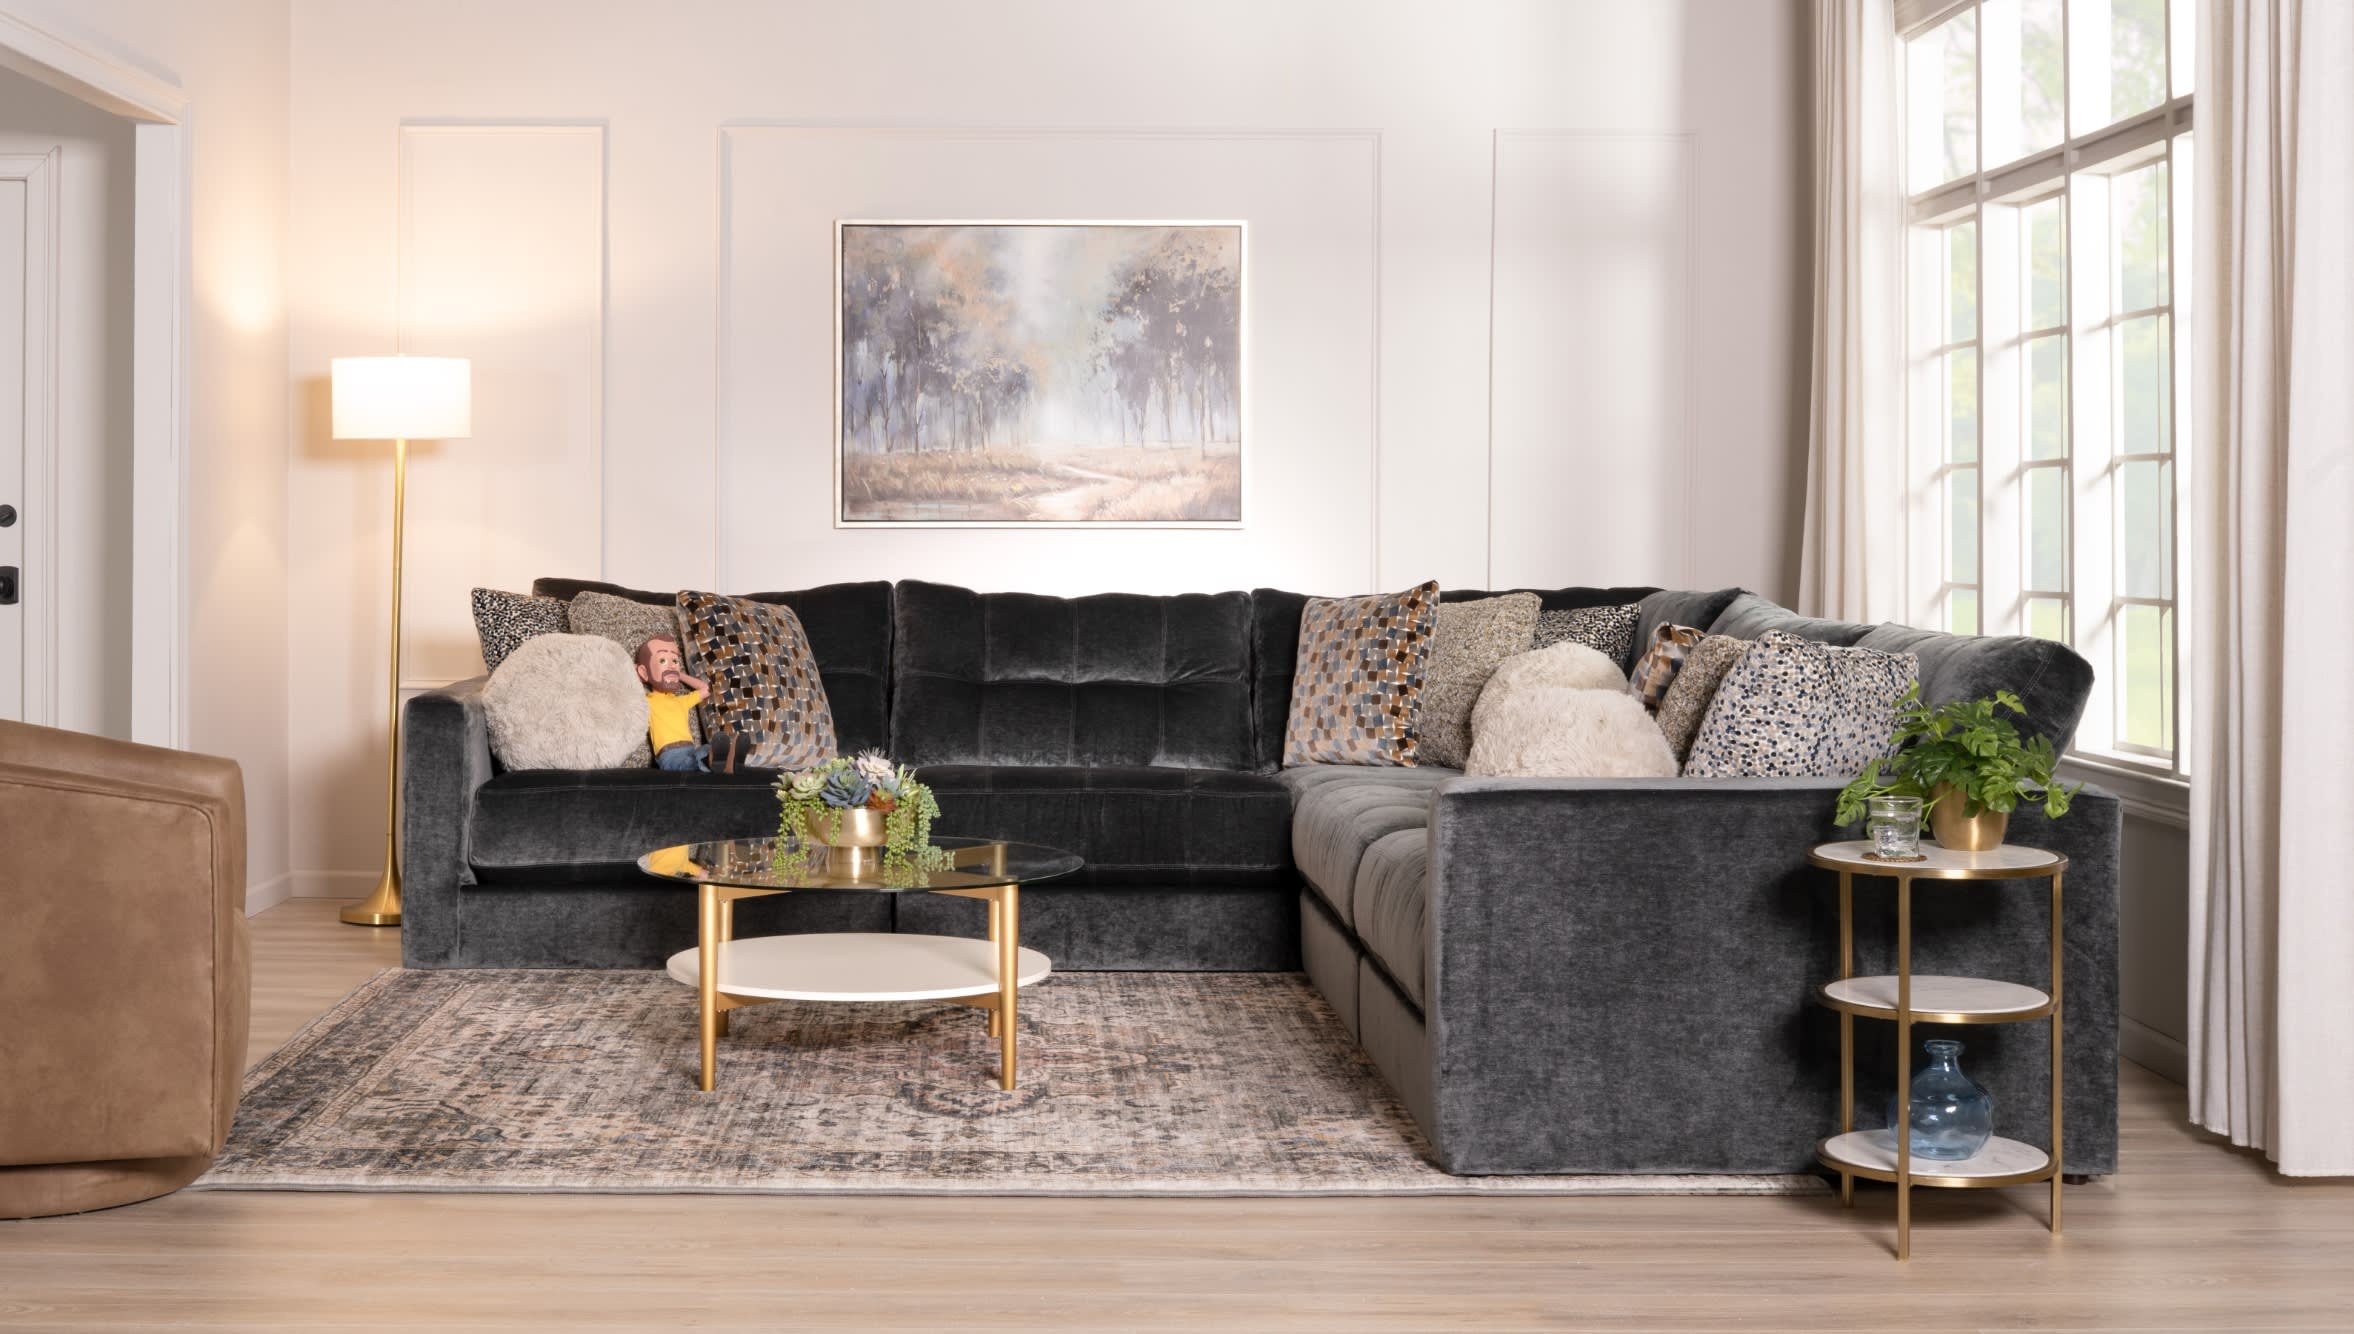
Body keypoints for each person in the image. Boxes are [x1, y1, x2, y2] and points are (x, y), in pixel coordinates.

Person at [635, 634, 741, 773]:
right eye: (662, 660)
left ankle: (728, 762)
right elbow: (623, 688)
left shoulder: (682, 701)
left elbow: (706, 688)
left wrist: (680, 675)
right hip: (669, 755)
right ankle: (716, 763)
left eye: (675, 660)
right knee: (689, 762)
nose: (672, 666)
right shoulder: (646, 701)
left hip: (691, 749)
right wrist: (638, 672)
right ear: (643, 672)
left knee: (706, 749)